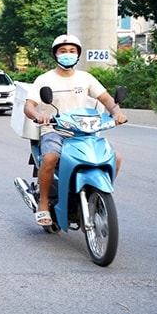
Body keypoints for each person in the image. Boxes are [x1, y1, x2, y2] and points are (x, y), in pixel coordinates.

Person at [24, 34, 128, 227]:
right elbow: (29, 105)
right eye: (63, 51)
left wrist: (117, 112)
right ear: (55, 55)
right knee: (50, 158)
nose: (67, 55)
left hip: (85, 132)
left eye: (72, 51)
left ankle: (98, 195)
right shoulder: (44, 79)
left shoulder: (85, 78)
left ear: (78, 54)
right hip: (55, 130)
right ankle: (44, 203)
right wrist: (37, 115)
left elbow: (107, 100)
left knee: (116, 157)